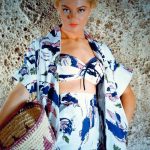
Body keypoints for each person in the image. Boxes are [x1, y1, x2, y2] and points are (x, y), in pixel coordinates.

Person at [0, 0, 136, 149]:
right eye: (66, 10)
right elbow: (21, 91)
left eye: (81, 10)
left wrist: (117, 136)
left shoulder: (102, 52)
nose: (73, 16)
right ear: (57, 6)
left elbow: (128, 94)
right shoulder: (42, 48)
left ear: (90, 8)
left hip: (95, 143)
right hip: (56, 141)